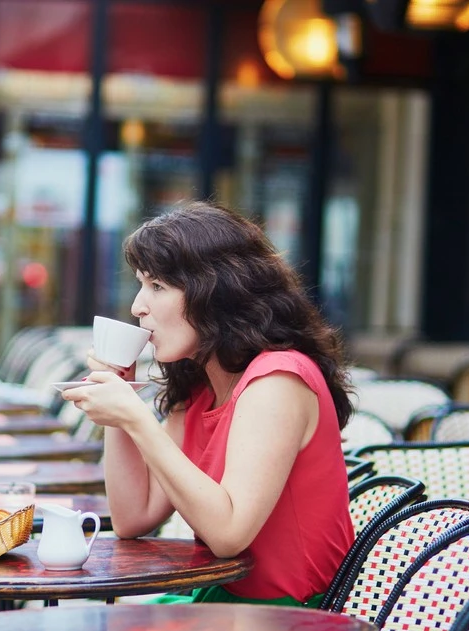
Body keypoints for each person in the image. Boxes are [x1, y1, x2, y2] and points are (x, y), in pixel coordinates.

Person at [62, 202, 355, 607]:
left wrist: (137, 418)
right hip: (220, 603)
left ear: (215, 291)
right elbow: (134, 518)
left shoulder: (278, 379)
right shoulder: (201, 386)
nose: (137, 306)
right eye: (140, 284)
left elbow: (230, 533)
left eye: (157, 287)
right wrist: (120, 402)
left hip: (291, 623)